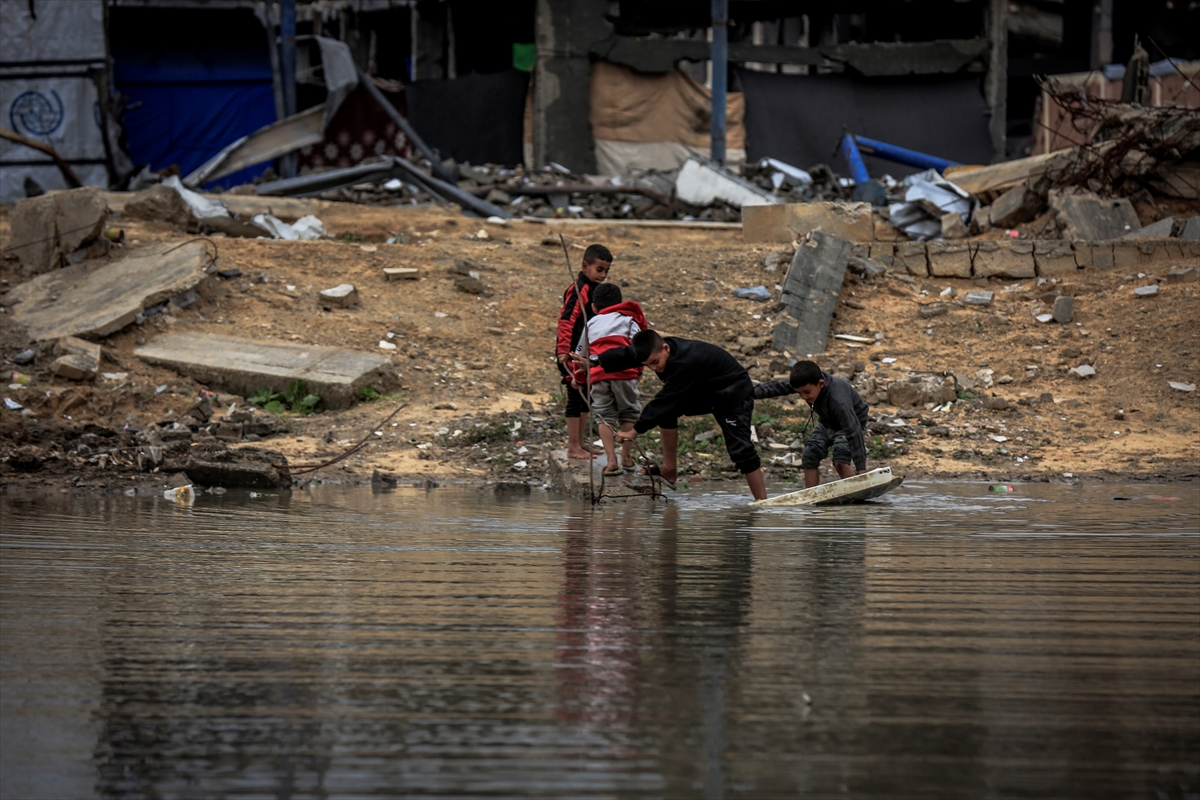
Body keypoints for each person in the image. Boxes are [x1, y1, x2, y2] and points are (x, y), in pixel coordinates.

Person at [578, 329, 767, 501]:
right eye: (648, 365)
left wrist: (635, 430)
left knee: (741, 450)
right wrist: (595, 361)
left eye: (656, 362)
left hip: (734, 393)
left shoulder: (686, 361)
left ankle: (762, 503)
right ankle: (669, 469)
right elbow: (626, 354)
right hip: (709, 391)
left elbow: (665, 399)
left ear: (666, 348)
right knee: (667, 413)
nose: (655, 368)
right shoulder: (655, 351)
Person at [570, 283, 648, 476]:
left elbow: (580, 355)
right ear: (619, 304)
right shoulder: (629, 320)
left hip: (598, 376)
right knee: (629, 413)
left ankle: (611, 460)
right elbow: (640, 348)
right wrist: (639, 370)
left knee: (604, 416)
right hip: (625, 375)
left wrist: (577, 377)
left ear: (594, 307)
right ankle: (627, 457)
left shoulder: (590, 324)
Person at [754, 360, 869, 489]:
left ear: (821, 384)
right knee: (809, 454)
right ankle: (810, 494)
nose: (803, 397)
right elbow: (778, 387)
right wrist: (753, 392)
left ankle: (858, 489)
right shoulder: (807, 384)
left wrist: (861, 469)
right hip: (827, 422)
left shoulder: (838, 400)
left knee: (840, 461)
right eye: (799, 393)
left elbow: (853, 431)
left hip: (851, 422)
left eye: (807, 392)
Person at [555, 244, 612, 459]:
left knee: (586, 396)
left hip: (586, 354)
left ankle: (580, 442)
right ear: (585, 266)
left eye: (606, 271)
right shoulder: (579, 289)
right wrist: (563, 350)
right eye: (599, 270)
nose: (603, 275)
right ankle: (573, 446)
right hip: (571, 353)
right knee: (575, 395)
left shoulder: (594, 290)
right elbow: (567, 319)